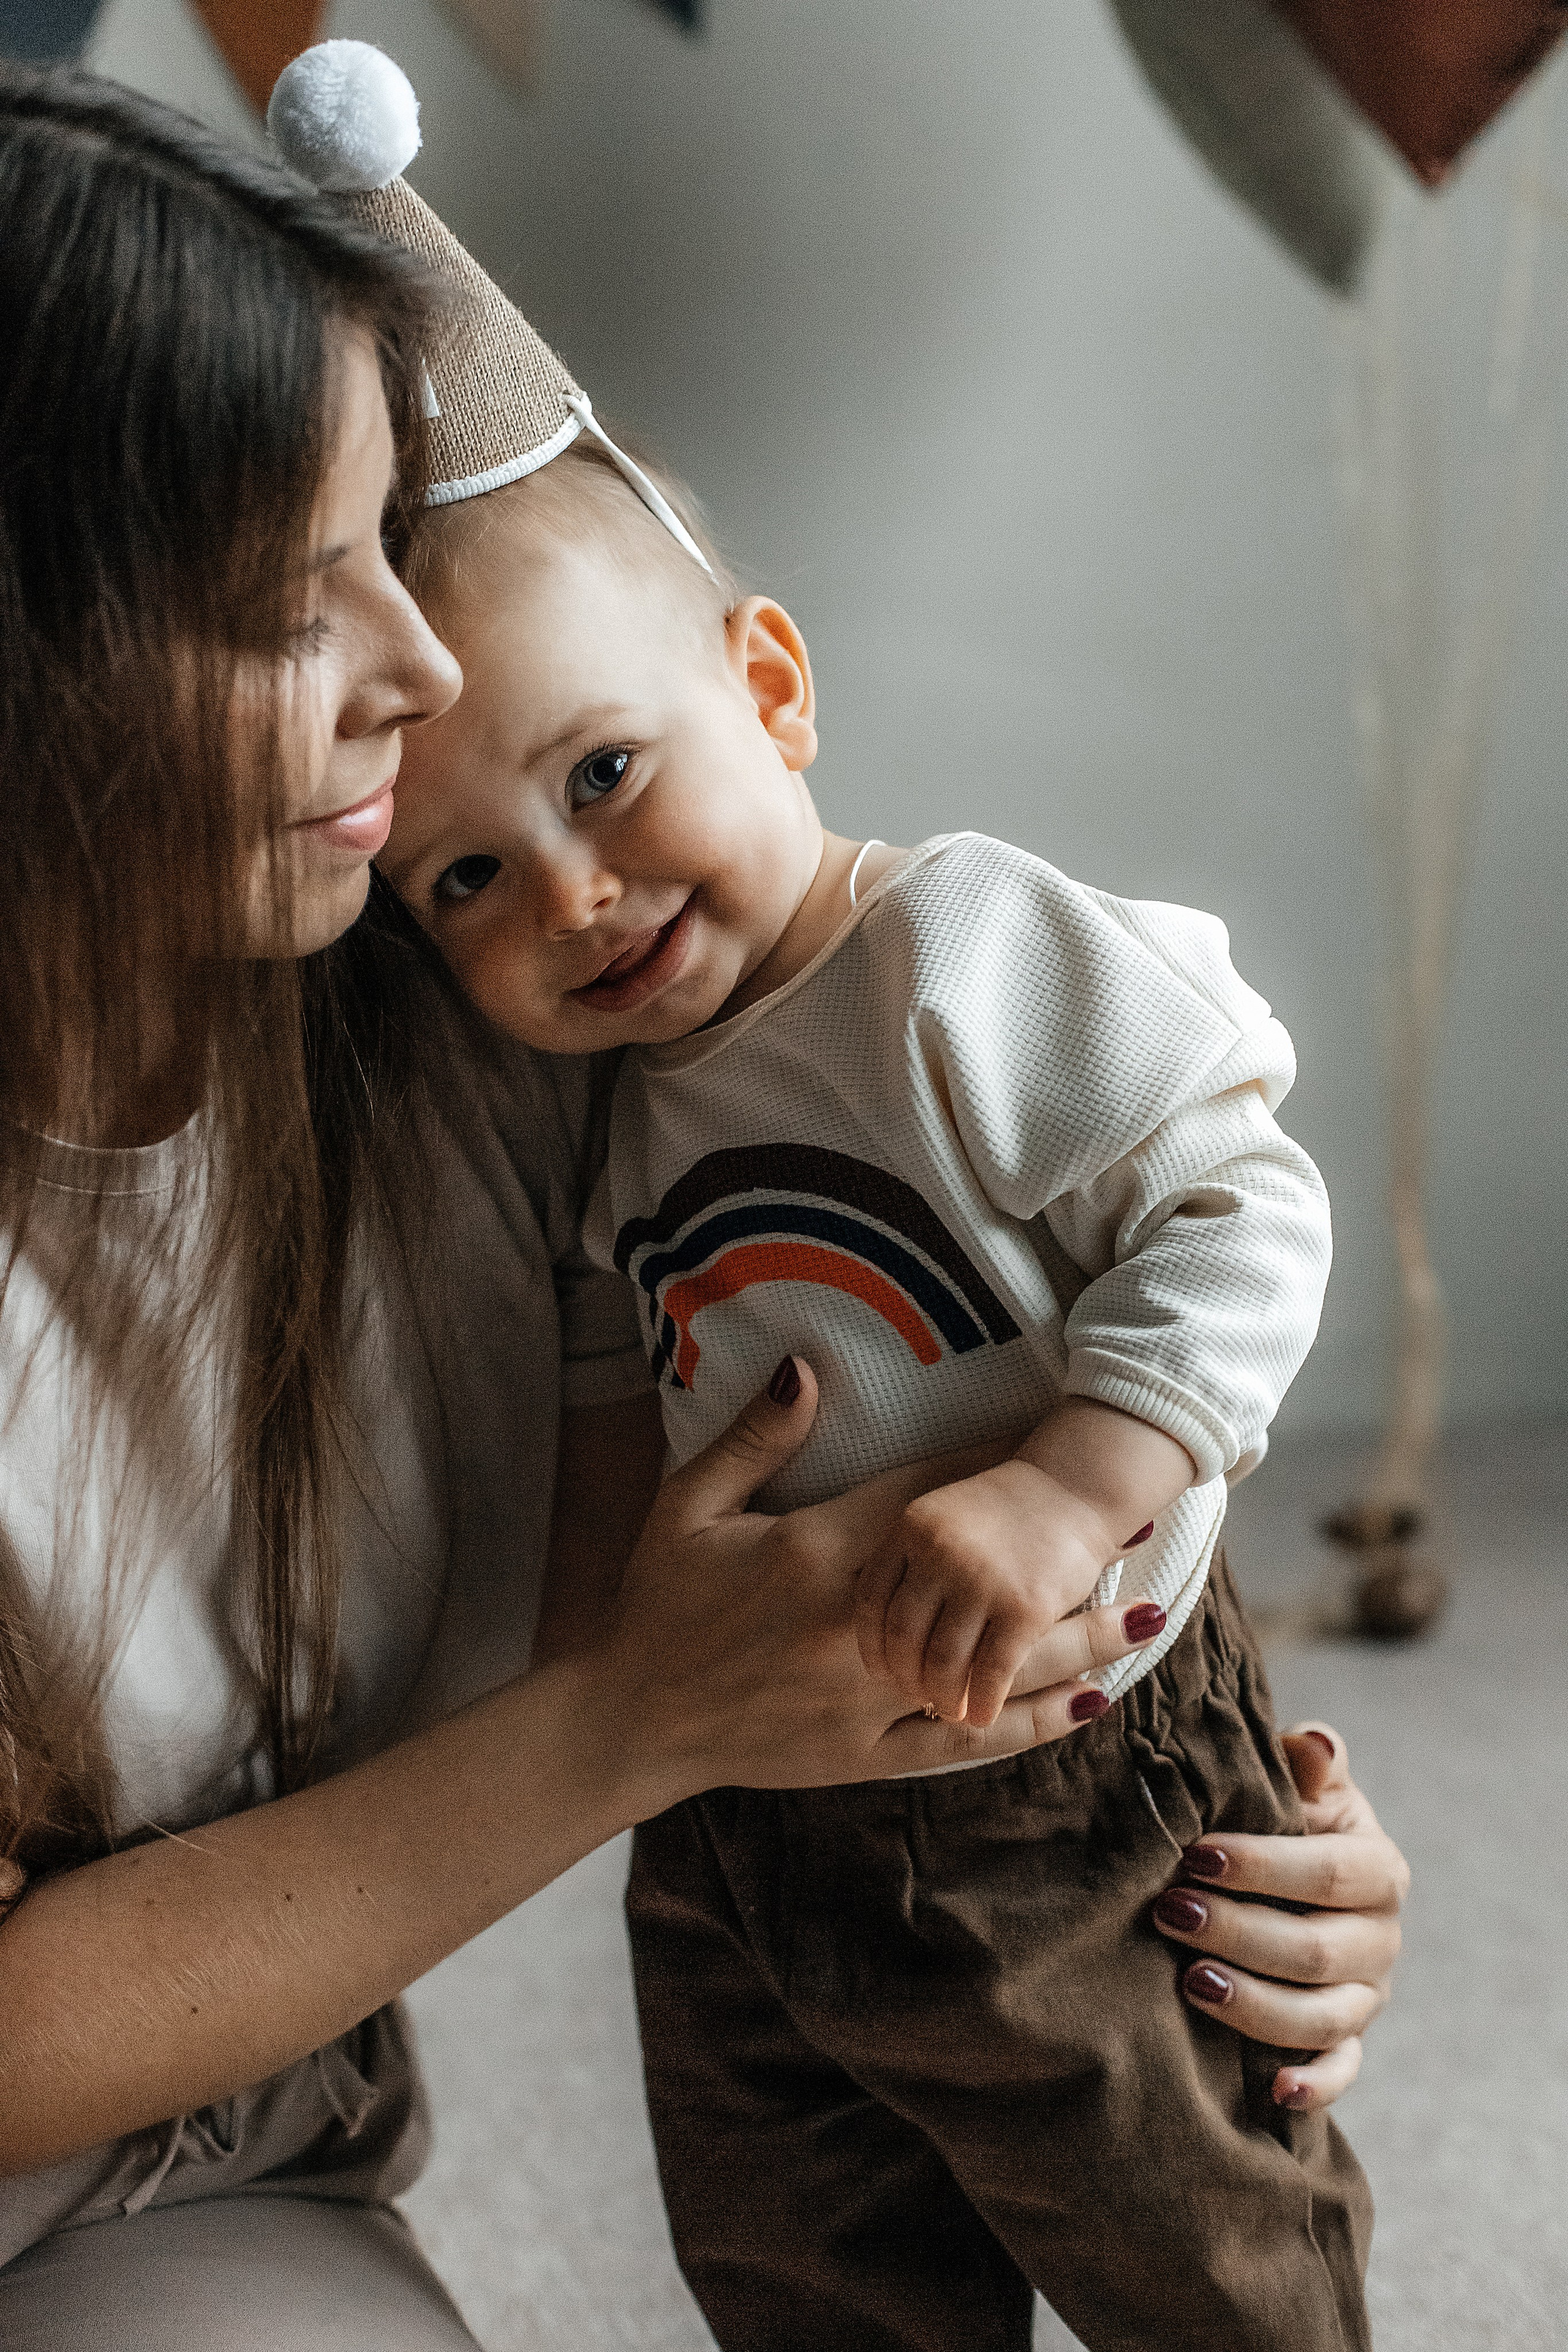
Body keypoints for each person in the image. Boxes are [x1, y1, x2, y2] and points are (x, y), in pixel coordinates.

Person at [0, 55, 1406, 2352]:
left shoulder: (501, 1029)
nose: (423, 671)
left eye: (392, 545)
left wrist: (1225, 1797)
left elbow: (1071, 1253)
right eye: (294, 604)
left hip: (205, 2186)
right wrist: (640, 1721)